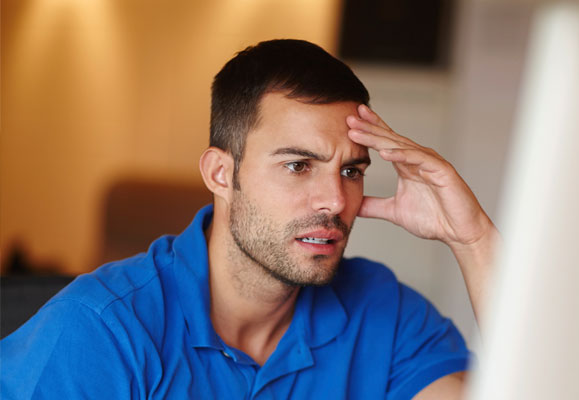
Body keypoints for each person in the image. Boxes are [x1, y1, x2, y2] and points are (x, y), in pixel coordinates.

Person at [0, 39, 498, 399]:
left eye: (351, 170)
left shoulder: (381, 313)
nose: (334, 200)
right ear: (221, 173)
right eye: (298, 165)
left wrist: (473, 237)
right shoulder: (101, 331)